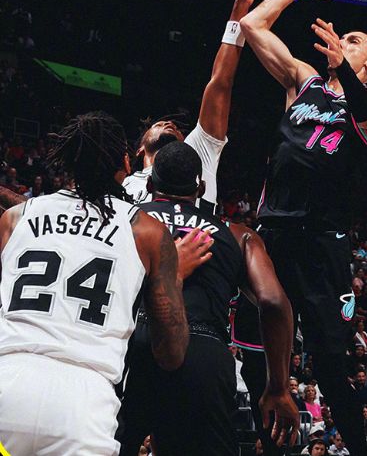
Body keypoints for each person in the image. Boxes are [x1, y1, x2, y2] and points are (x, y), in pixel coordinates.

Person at [238, 0, 367, 456]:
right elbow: (251, 24)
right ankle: (271, 448)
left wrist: (343, 66)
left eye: (353, 41)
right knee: (259, 356)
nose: (342, 40)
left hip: (323, 243)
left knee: (329, 365)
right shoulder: (302, 81)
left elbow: (363, 111)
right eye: (344, 37)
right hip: (274, 231)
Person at [0, 112, 189, 455]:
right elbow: (172, 353)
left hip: (7, 378)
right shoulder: (147, 232)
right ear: (125, 164)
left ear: (67, 162)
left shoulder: (14, 219)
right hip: (84, 400)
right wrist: (172, 277)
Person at [117, 142, 298, 456]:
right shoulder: (237, 234)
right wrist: (279, 386)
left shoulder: (128, 219)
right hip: (203, 354)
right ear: (200, 189)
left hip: (136, 342)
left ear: (149, 186)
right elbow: (273, 302)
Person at [123, 0, 260, 212]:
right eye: (157, 125)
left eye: (177, 129)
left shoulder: (198, 151)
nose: (169, 124)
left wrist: (239, 8)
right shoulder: (122, 186)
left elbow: (220, 82)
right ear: (139, 150)